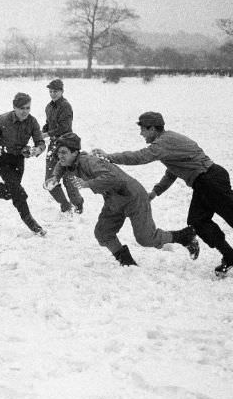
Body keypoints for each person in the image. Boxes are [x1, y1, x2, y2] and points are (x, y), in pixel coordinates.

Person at [94, 111, 233, 278]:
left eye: (143, 129)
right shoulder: (167, 142)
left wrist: (109, 157)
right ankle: (230, 256)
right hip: (205, 182)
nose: (141, 133)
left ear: (152, 129)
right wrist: (156, 192)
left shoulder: (163, 143)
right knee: (197, 221)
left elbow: (140, 157)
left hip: (210, 180)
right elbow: (172, 172)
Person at [50, 133, 199, 266]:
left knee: (146, 238)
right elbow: (60, 166)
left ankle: (184, 236)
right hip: (113, 200)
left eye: (63, 152)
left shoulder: (89, 162)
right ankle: (127, 263)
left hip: (133, 196)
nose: (60, 156)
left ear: (75, 152)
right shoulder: (69, 162)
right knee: (103, 233)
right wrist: (55, 177)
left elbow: (111, 177)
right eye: (58, 153)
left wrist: (87, 184)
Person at [0, 92, 47, 236]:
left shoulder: (32, 122)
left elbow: (40, 142)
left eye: (28, 108)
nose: (25, 111)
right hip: (2, 160)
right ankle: (31, 223)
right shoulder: (3, 120)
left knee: (11, 191)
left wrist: (37, 149)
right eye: (21, 108)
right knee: (18, 193)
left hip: (18, 160)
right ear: (14, 108)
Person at [42, 79, 83, 214]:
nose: (53, 94)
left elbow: (64, 128)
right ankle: (65, 205)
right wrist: (41, 132)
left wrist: (48, 133)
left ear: (62, 91)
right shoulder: (48, 107)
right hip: (53, 146)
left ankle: (78, 205)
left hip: (67, 146)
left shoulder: (65, 106)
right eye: (51, 91)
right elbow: (48, 124)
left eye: (56, 91)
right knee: (49, 180)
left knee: (68, 179)